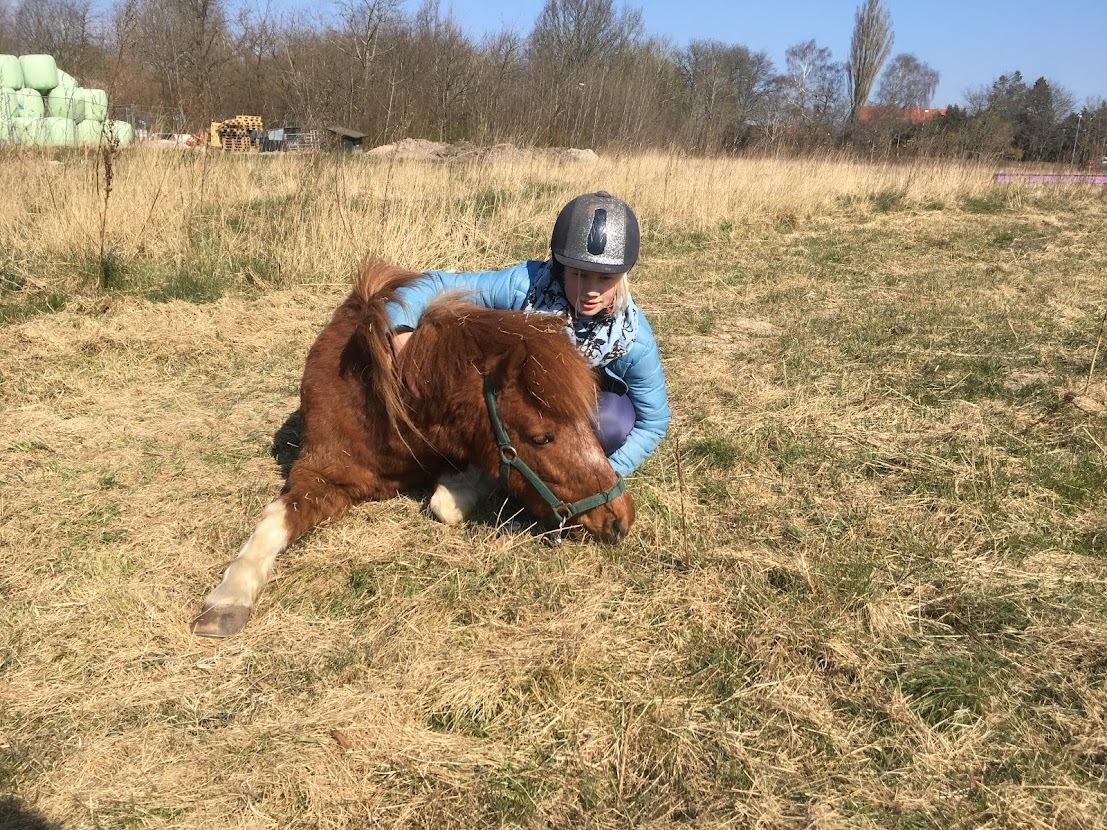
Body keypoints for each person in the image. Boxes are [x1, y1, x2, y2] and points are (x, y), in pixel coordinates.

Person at [387, 191, 669, 496]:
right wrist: (400, 328)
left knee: (614, 421)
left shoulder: (633, 338)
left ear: (623, 276)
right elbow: (437, 283)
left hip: (575, 419)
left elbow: (653, 422)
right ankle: (482, 469)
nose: (591, 290)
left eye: (604, 278)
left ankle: (532, 476)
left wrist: (604, 474)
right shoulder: (527, 286)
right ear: (561, 268)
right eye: (579, 275)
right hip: (515, 401)